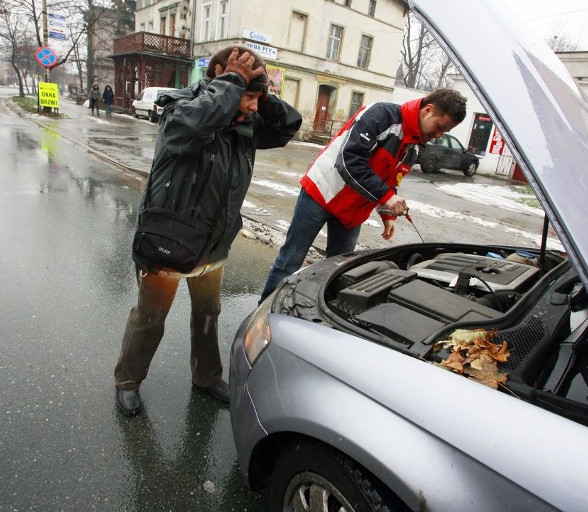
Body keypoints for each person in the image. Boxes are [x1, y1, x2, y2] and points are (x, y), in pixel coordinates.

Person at [114, 45, 302, 416]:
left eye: (253, 99)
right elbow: (195, 127)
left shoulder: (243, 123)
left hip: (213, 244)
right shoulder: (181, 110)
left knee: (207, 314)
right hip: (169, 241)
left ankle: (206, 376)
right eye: (246, 97)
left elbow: (287, 127)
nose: (251, 106)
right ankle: (128, 380)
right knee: (150, 319)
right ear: (222, 81)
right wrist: (232, 83)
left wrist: (259, 94)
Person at [259, 88, 467, 303]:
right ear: (428, 110)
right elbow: (349, 161)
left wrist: (388, 214)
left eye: (445, 131)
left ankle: (321, 319)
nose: (439, 135)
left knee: (338, 271)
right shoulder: (381, 115)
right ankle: (263, 311)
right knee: (290, 261)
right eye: (440, 127)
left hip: (352, 212)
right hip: (322, 193)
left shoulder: (413, 148)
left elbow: (390, 182)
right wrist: (386, 197)